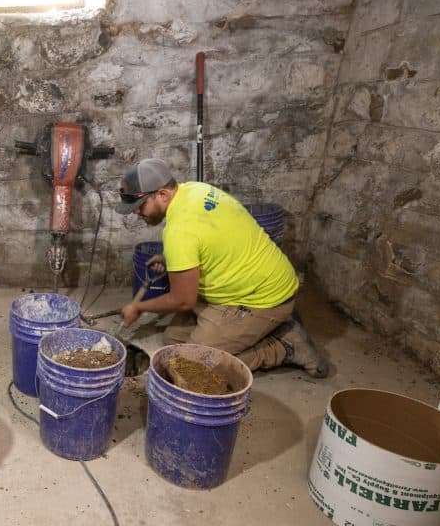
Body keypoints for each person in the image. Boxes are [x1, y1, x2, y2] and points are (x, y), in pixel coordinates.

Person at [116, 158, 328, 377]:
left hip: (262, 298)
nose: (136, 213)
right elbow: (208, 237)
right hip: (250, 280)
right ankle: (257, 332)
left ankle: (284, 346)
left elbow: (182, 300)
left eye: (139, 206)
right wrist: (172, 257)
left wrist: (139, 307)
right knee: (172, 341)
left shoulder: (180, 232)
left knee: (188, 366)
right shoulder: (195, 190)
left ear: (162, 194)